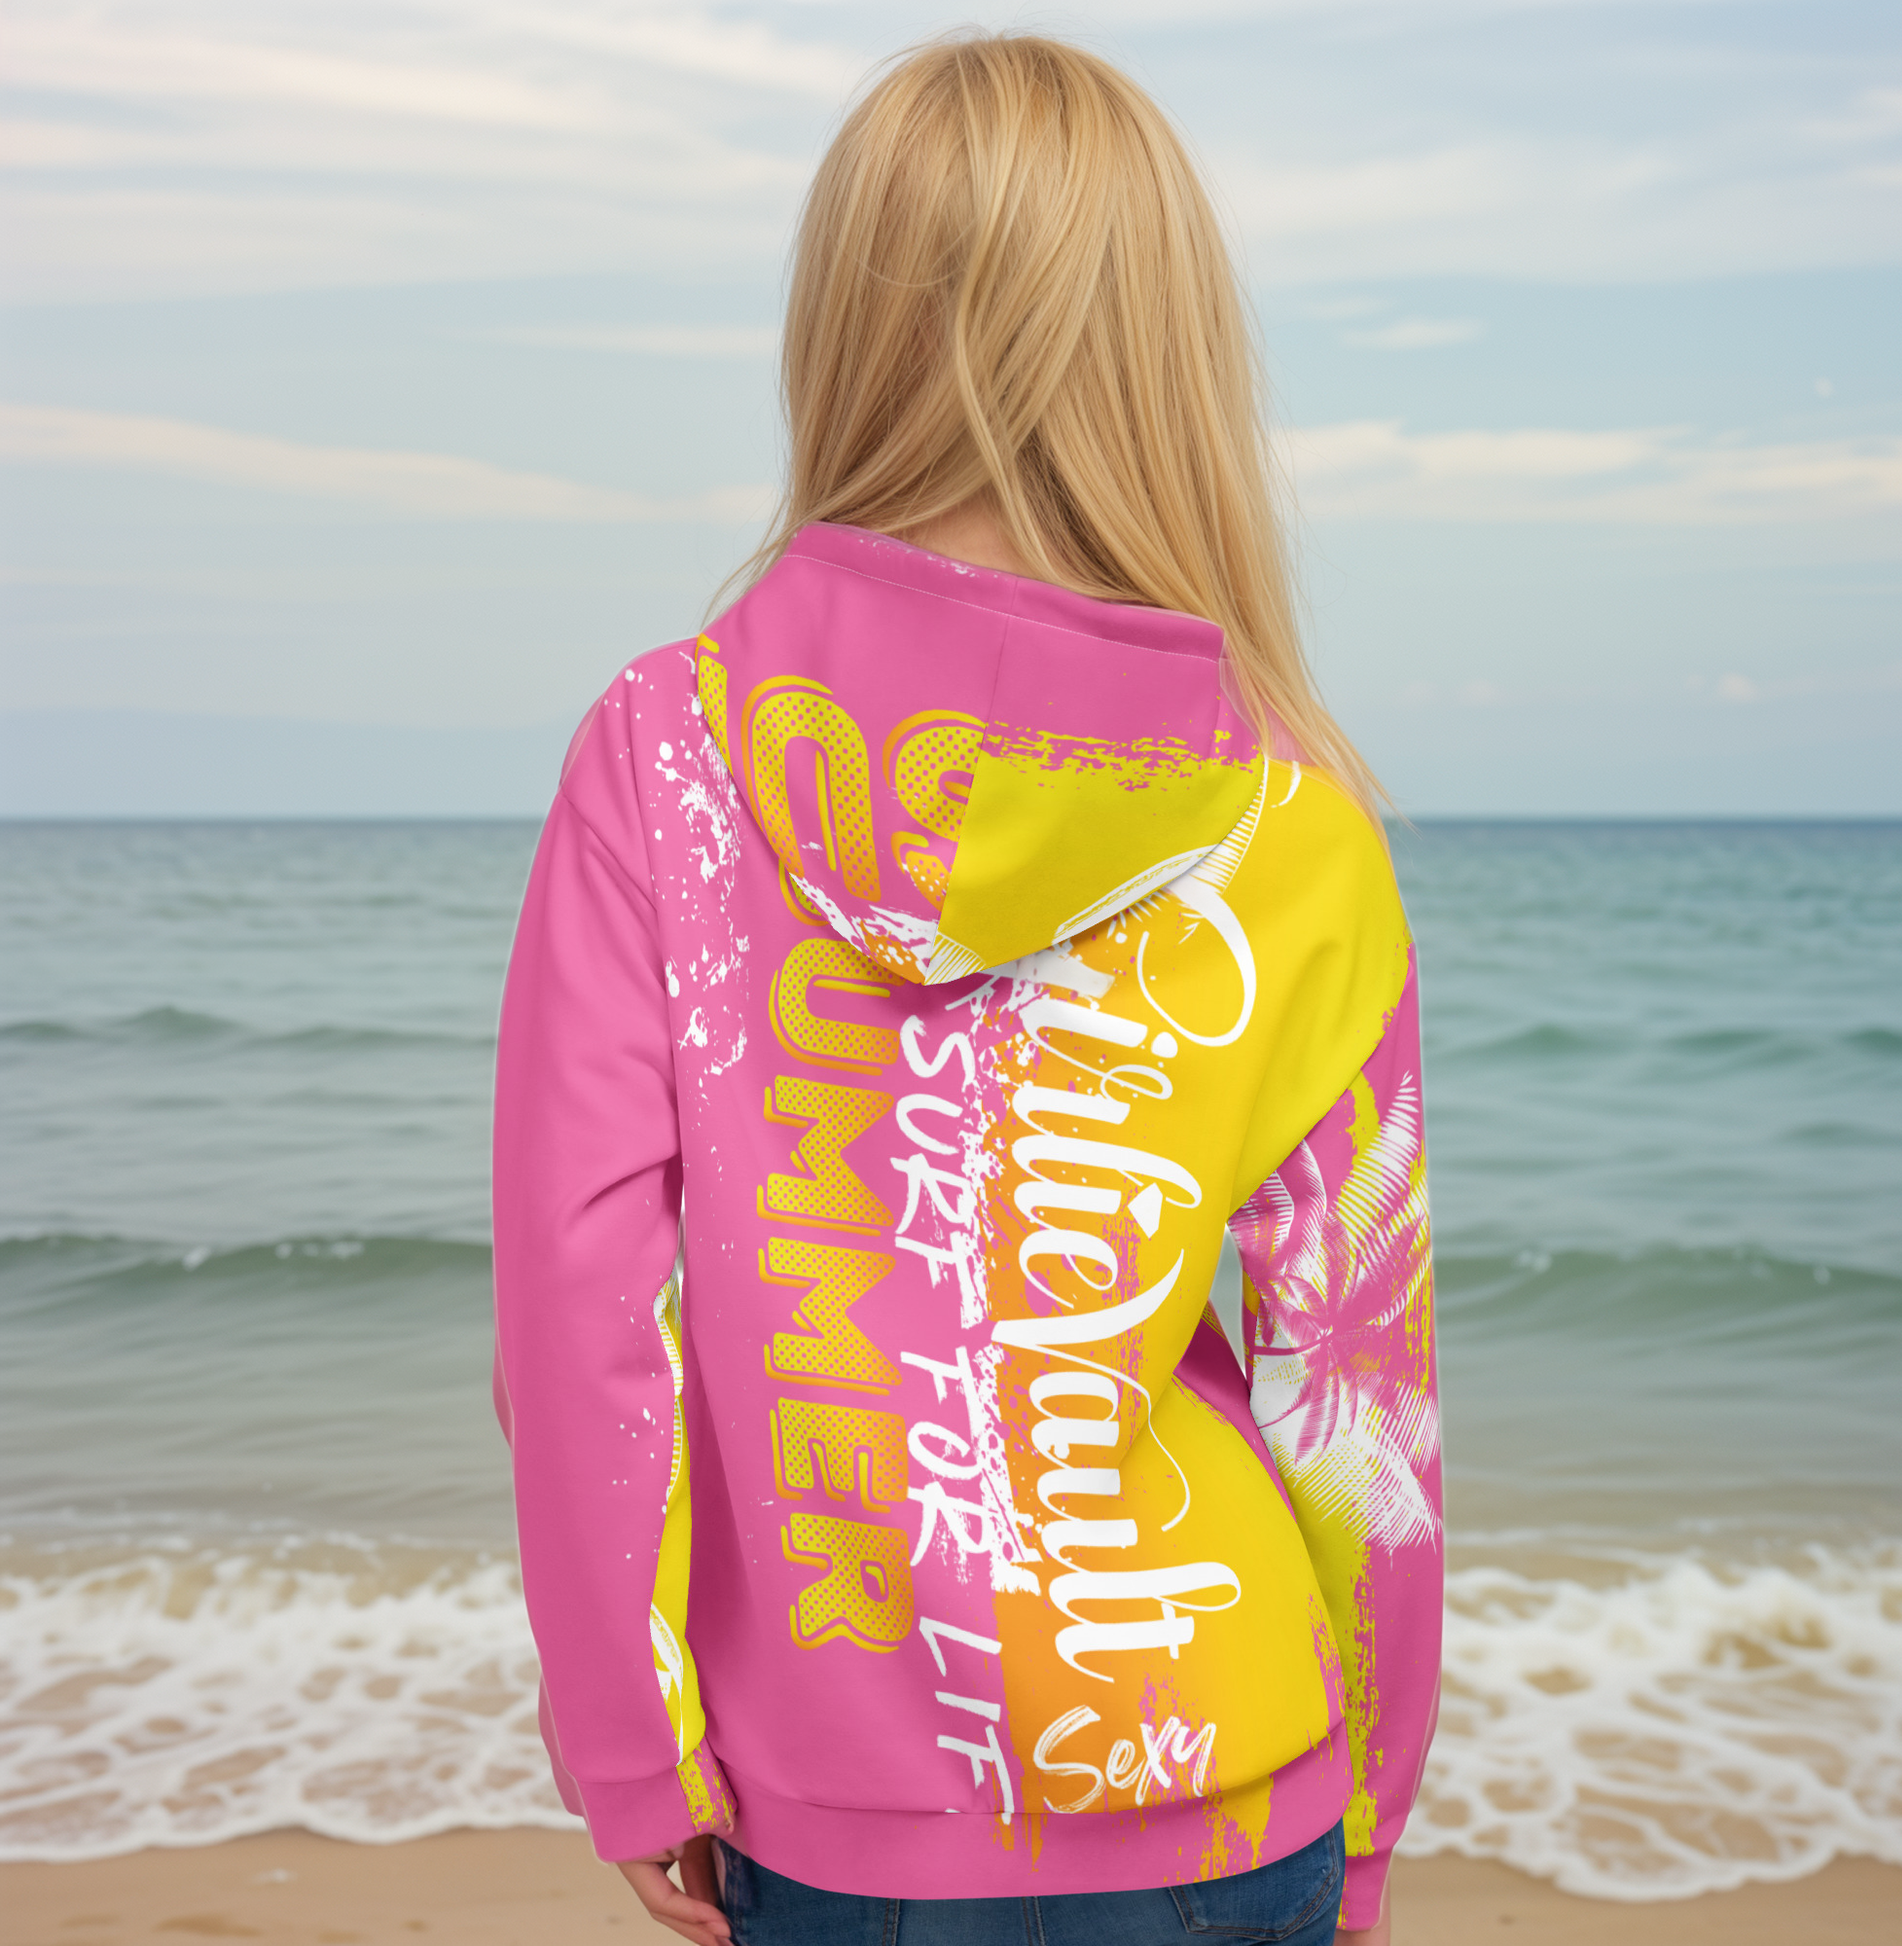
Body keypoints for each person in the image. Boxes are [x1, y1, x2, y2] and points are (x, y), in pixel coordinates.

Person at [493, 31, 1440, 1946]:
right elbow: (1351, 1362)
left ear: (842, 328)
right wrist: (1372, 1783)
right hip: (1230, 1771)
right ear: (1168, 355)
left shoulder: (666, 756)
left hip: (841, 1814)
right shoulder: (1288, 811)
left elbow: (581, 1301)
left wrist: (631, 1738)